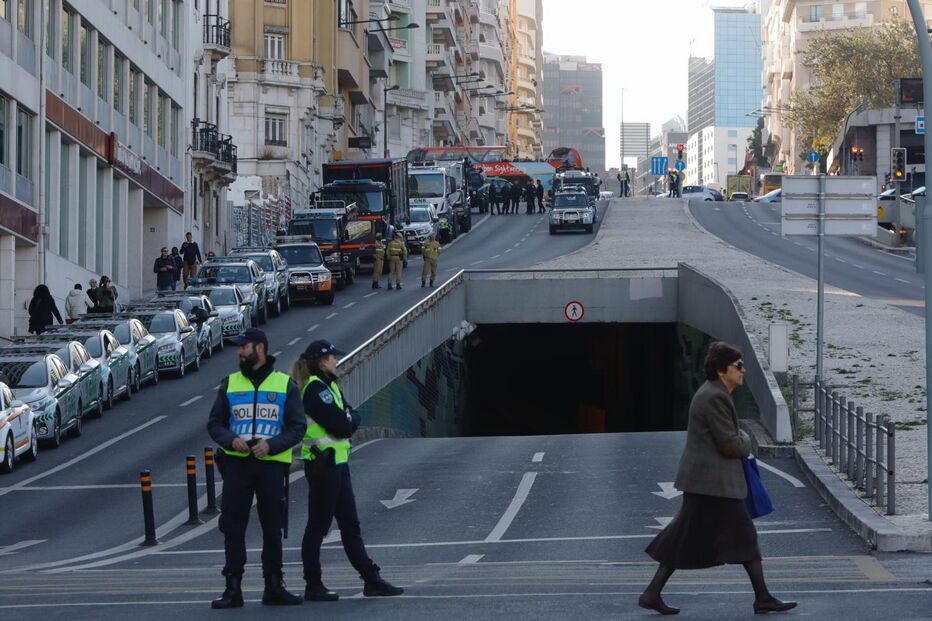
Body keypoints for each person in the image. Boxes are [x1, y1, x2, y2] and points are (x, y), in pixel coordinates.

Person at [640, 342, 797, 616]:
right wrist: (747, 439)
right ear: (721, 369)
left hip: (706, 483)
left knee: (685, 536)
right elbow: (730, 445)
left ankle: (651, 593)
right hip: (713, 484)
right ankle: (762, 598)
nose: (743, 370)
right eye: (738, 366)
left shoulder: (716, 393)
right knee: (744, 537)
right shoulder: (714, 397)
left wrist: (738, 437)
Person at [292, 340, 404, 601]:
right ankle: (313, 584)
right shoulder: (315, 390)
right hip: (323, 466)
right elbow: (343, 425)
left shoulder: (329, 386)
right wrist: (347, 418)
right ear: (321, 361)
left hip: (337, 465)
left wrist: (347, 417)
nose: (337, 361)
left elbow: (353, 416)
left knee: (350, 526)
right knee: (318, 527)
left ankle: (371, 580)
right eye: (333, 357)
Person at [206, 328, 307, 609]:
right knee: (232, 527)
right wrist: (231, 440)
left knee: (273, 526)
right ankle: (232, 588)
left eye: (244, 347)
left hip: (271, 465)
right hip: (237, 464)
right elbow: (215, 423)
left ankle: (274, 586)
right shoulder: (230, 383)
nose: (239, 352)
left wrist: (272, 445)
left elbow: (298, 427)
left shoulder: (284, 384)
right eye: (239, 348)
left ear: (260, 348)